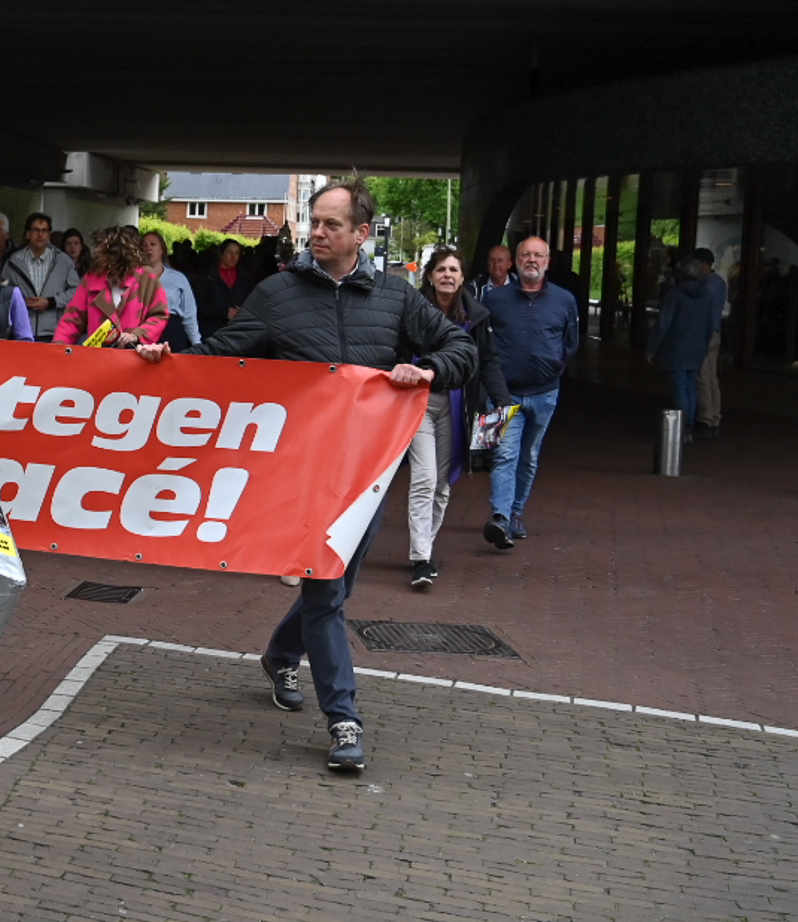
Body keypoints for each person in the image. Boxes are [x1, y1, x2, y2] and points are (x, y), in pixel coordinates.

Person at [135, 178, 475, 773]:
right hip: (303, 473)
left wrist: (429, 371)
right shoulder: (278, 293)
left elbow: (461, 349)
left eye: (331, 225)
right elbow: (220, 359)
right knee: (326, 591)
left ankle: (280, 652)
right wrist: (166, 362)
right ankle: (344, 719)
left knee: (335, 586)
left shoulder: (396, 298)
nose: (316, 232)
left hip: (368, 475)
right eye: (315, 222)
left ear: (361, 234)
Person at [405, 247, 512, 590]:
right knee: (422, 479)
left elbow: (488, 361)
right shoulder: (413, 310)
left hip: (458, 405)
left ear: (463, 277)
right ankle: (420, 558)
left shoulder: (477, 317)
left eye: (454, 269)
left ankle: (427, 547)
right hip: (418, 403)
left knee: (442, 483)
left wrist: (502, 401)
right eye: (441, 269)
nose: (447, 275)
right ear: (431, 276)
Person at [481, 235, 580, 549]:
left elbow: (571, 342)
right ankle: (500, 517)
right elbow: (482, 343)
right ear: (516, 261)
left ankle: (516, 512)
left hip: (544, 393)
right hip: (503, 393)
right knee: (504, 454)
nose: (532, 260)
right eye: (526, 255)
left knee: (530, 457)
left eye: (539, 255)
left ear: (548, 261)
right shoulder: (494, 300)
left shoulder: (564, 300)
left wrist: (555, 366)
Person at [54, 226, 168, 347]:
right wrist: (57, 349)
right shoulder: (92, 278)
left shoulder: (146, 277)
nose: (112, 265)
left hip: (134, 358)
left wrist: (137, 335)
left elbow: (159, 315)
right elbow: (72, 319)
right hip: (99, 358)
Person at [650, 254, 720, 440]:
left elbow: (664, 322)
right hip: (696, 346)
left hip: (676, 346)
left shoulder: (675, 293)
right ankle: (688, 426)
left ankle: (680, 427)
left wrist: (652, 347)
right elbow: (710, 323)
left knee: (679, 387)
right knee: (690, 386)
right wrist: (704, 344)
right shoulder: (706, 294)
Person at [0, 211, 80, 341]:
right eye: (36, 230)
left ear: (49, 234)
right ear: (28, 234)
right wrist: (20, 302)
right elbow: (2, 293)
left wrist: (51, 302)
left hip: (54, 331)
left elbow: (77, 292)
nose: (40, 234)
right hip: (22, 331)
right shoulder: (12, 262)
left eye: (44, 230)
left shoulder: (63, 261)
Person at [692, 247, 727, 438]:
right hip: (715, 331)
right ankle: (715, 417)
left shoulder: (706, 284)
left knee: (702, 376)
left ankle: (705, 418)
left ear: (702, 264)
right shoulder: (719, 282)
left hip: (705, 332)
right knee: (711, 376)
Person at [143, 229, 200, 347]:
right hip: (145, 330)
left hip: (172, 331)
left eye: (153, 244)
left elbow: (189, 313)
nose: (148, 248)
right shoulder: (135, 277)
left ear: (162, 250)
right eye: (144, 245)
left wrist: (196, 343)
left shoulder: (178, 278)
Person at [193, 238, 256, 342]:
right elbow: (199, 305)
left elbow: (252, 302)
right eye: (229, 252)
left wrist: (241, 311)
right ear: (221, 254)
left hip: (237, 331)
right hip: (212, 332)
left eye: (237, 253)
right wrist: (223, 312)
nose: (233, 257)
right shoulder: (207, 276)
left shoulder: (245, 278)